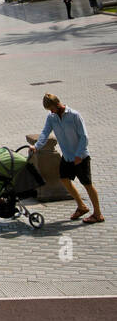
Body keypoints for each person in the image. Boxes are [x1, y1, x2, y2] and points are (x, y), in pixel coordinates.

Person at [35, 93, 102, 223]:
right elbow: (45, 132)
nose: (51, 112)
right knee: (64, 179)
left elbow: (84, 137)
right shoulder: (52, 117)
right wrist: (36, 146)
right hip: (67, 156)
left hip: (81, 156)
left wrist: (79, 154)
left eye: (51, 108)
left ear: (57, 104)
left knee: (87, 184)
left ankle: (98, 214)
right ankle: (81, 206)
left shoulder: (74, 115)